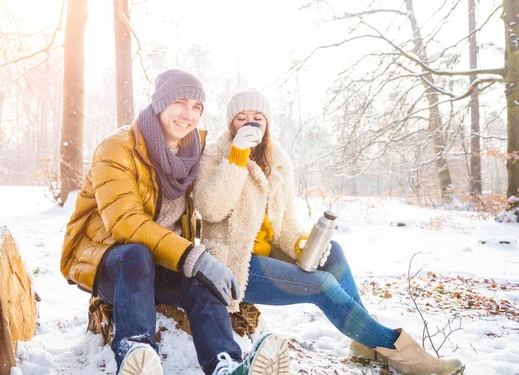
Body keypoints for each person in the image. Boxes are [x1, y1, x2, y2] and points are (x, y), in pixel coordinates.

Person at [193, 88, 464, 375]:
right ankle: (403, 353)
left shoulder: (278, 162)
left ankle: (364, 344)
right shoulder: (216, 153)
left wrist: (301, 245)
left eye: (257, 117)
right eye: (241, 118)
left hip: (268, 255)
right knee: (322, 285)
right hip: (234, 262)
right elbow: (211, 208)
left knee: (332, 252)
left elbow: (285, 223)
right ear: (230, 122)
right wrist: (237, 156)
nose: (250, 123)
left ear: (267, 122)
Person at [60, 71, 290, 375]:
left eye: (197, 107)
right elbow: (126, 223)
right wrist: (196, 257)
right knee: (138, 254)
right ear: (160, 104)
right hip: (109, 259)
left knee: (201, 281)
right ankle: (137, 353)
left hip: (165, 260)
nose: (188, 114)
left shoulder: (195, 150)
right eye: (180, 103)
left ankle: (226, 364)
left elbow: (220, 192)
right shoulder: (117, 147)